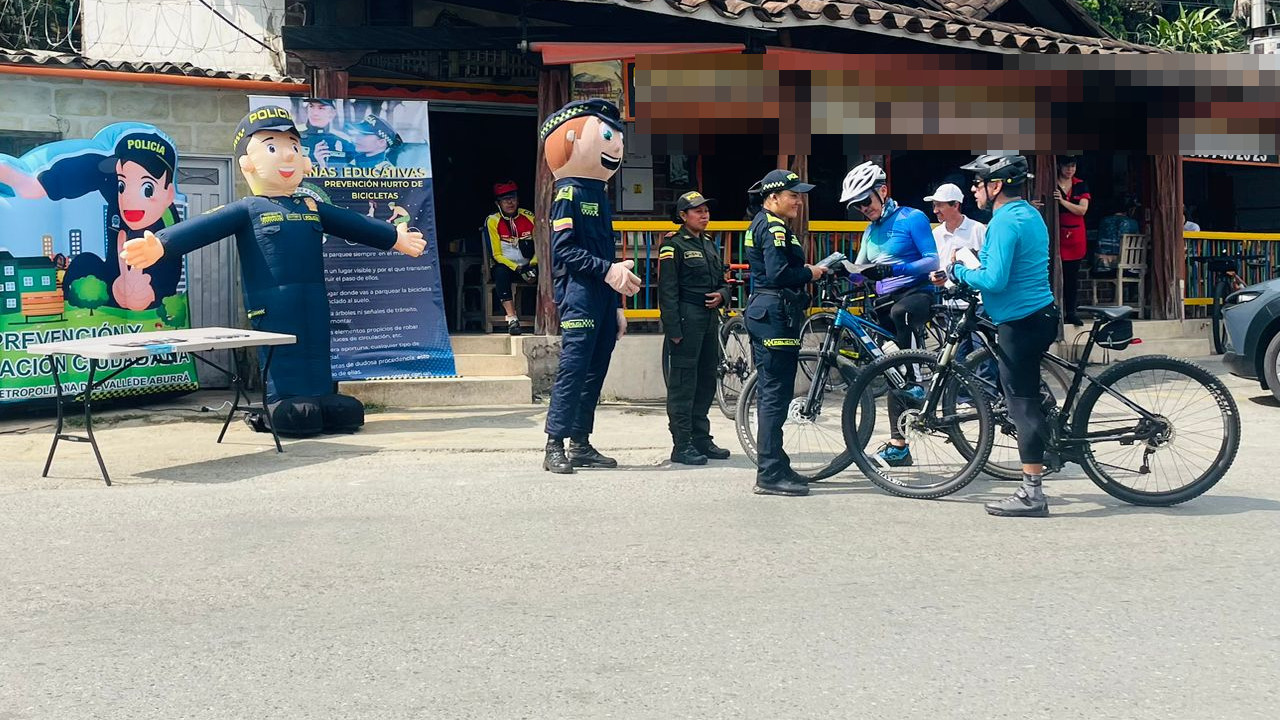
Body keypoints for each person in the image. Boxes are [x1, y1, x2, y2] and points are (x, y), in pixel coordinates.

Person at [120, 106, 426, 437]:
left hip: (313, 297)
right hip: (272, 302)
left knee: (317, 345)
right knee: (282, 351)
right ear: (248, 163)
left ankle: (324, 395)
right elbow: (202, 228)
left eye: (294, 147)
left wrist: (395, 237)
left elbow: (354, 223)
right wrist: (161, 245)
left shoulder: (310, 206)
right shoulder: (249, 209)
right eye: (272, 147)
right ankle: (280, 402)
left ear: (305, 160)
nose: (287, 156)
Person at [951, 154, 1059, 518]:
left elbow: (994, 280)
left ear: (995, 186)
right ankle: (1050, 447)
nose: (973, 190)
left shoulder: (1003, 222)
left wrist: (960, 272)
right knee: (1026, 392)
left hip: (1020, 322)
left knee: (1020, 403)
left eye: (978, 183)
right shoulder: (1029, 214)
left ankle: (1032, 494)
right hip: (1039, 315)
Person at [539, 99, 641, 474]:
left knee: (596, 368)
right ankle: (554, 444)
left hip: (600, 295)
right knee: (574, 368)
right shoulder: (569, 194)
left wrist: (615, 303)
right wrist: (607, 271)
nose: (615, 145)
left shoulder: (598, 194)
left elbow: (605, 252)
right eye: (607, 134)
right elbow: (563, 251)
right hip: (579, 294)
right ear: (568, 139)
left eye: (617, 137)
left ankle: (580, 442)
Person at [0, 130, 184, 311]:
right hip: (115, 287)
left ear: (168, 193)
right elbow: (92, 168)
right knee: (85, 263)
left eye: (147, 189)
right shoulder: (116, 197)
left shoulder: (167, 222)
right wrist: (40, 183)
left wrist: (148, 293)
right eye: (121, 185)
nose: (127, 197)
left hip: (148, 296)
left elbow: (172, 267)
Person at [841, 161, 940, 468]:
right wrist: (840, 271)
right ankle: (899, 447)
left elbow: (932, 259)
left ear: (882, 192)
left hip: (915, 297)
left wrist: (897, 268)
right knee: (889, 368)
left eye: (866, 201)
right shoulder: (871, 231)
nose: (862, 209)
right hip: (883, 302)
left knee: (901, 315)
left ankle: (917, 379)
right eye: (857, 206)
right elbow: (859, 272)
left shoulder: (913, 218)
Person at [743, 169, 826, 497]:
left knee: (774, 393)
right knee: (774, 395)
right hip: (774, 313)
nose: (799, 201)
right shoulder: (773, 226)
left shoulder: (766, 223)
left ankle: (777, 461)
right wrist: (811, 271)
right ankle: (769, 473)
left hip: (774, 311)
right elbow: (778, 272)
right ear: (773, 197)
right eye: (793, 195)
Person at [658, 190, 732, 465]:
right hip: (687, 318)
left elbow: (723, 279)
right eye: (698, 211)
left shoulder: (710, 243)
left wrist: (723, 295)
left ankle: (701, 438)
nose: (704, 215)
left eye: (706, 211)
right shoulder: (673, 246)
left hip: (710, 318)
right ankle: (682, 443)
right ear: (683, 216)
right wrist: (673, 329)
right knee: (683, 383)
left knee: (705, 380)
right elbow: (667, 291)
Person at [484, 181, 537, 335]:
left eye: (512, 198)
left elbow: (541, 245)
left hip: (530, 264)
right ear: (498, 203)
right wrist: (518, 268)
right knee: (501, 273)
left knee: (551, 271)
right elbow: (496, 255)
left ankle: (551, 317)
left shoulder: (530, 216)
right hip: (508, 266)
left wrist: (533, 264)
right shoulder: (492, 220)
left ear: (518, 200)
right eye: (505, 199)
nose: (510, 202)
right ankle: (512, 319)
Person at [1054, 155, 1090, 326]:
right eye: (1067, 166)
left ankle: (1071, 312)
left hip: (1076, 236)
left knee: (1071, 276)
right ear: (1059, 166)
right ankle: (1055, 311)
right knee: (1053, 274)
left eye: (1073, 166)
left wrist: (1061, 201)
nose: (1070, 170)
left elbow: (1082, 210)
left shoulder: (1080, 184)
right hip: (1057, 233)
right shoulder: (1051, 183)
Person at [299, 98, 350, 169]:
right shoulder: (296, 138)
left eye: (321, 108)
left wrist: (323, 165)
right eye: (311, 106)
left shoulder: (343, 142)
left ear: (332, 113)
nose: (314, 113)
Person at [1097, 195, 1139, 272]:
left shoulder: (1104, 221)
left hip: (1105, 266)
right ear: (1128, 210)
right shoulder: (1133, 223)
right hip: (1129, 266)